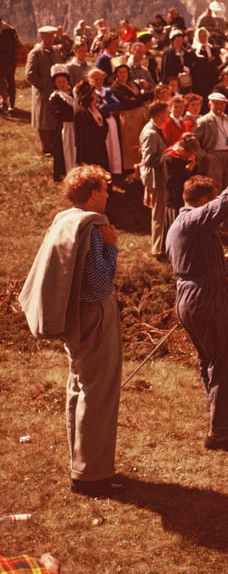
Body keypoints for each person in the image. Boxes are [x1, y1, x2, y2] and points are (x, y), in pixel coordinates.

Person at [18, 165, 122, 496]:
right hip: (95, 314)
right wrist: (112, 247)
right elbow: (99, 280)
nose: (108, 194)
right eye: (104, 189)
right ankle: (92, 475)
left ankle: (81, 463)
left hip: (73, 316)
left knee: (78, 385)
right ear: (92, 194)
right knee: (98, 391)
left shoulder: (65, 219)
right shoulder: (94, 228)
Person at [166, 172, 228, 450]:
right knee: (225, 362)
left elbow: (191, 262)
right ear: (202, 200)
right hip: (203, 297)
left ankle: (219, 422)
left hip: (190, 294)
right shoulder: (192, 219)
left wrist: (226, 259)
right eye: (211, 199)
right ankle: (221, 432)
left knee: (211, 361)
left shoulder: (181, 224)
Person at [139, 100, 170, 260]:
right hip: (156, 179)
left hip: (160, 177)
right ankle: (157, 248)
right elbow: (149, 159)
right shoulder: (150, 133)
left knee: (161, 212)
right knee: (158, 213)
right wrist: (168, 155)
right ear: (159, 114)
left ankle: (161, 244)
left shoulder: (156, 129)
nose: (169, 114)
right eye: (167, 111)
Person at [26, 26, 59, 154]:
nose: (51, 39)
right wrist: (43, 86)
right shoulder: (35, 53)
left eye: (52, 36)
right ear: (41, 37)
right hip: (43, 93)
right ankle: (45, 147)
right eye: (48, 36)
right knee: (43, 119)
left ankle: (54, 144)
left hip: (55, 90)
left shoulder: (55, 51)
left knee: (53, 117)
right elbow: (29, 74)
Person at [0, 15, 21, 114]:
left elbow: (9, 49)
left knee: (8, 82)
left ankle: (8, 103)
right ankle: (8, 103)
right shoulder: (10, 31)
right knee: (9, 82)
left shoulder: (7, 32)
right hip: (9, 61)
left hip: (8, 62)